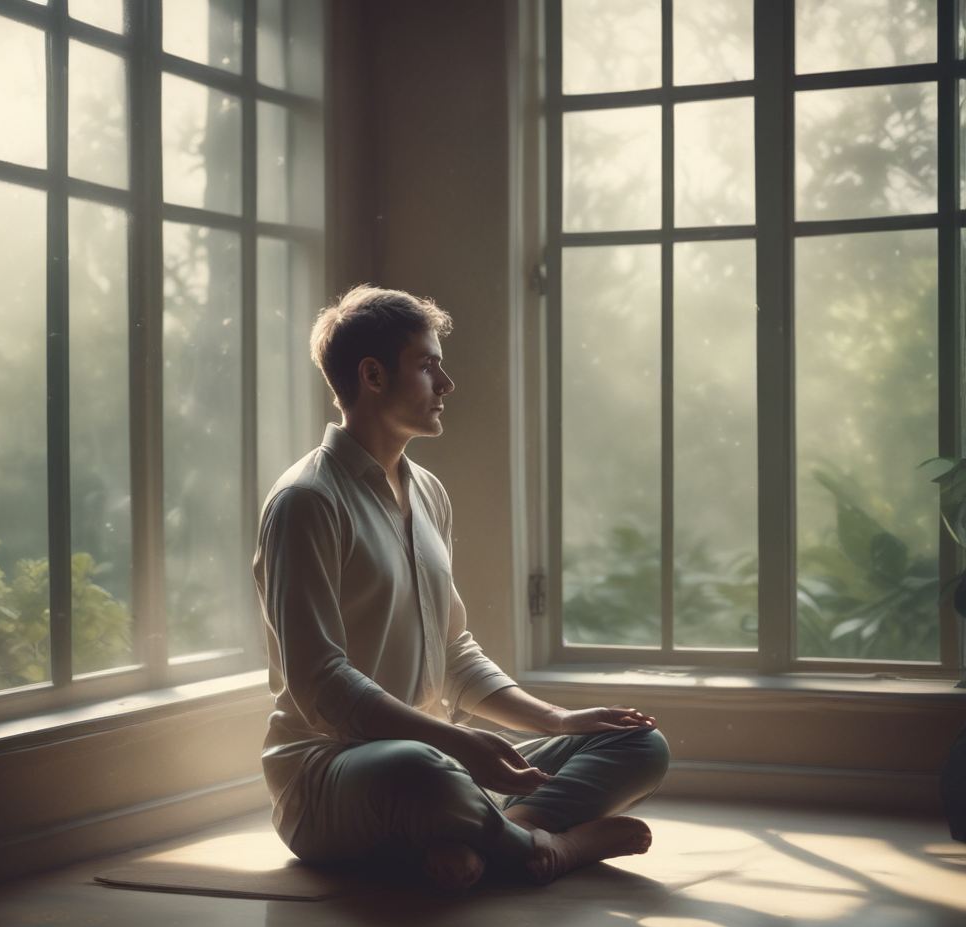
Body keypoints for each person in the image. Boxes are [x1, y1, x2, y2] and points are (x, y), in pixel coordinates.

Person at [253, 285, 670, 894]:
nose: (445, 384)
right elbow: (322, 687)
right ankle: (549, 849)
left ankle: (486, 834)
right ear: (372, 376)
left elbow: (453, 653)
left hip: (443, 763)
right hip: (334, 777)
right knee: (419, 769)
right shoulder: (306, 502)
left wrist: (560, 718)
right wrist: (457, 743)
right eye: (427, 366)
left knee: (638, 743)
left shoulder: (427, 492)